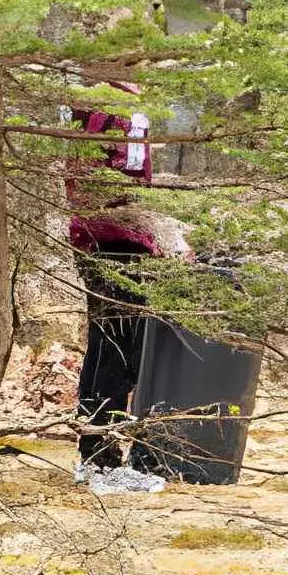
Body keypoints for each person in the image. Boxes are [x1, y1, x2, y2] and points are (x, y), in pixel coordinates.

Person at [65, 81, 182, 472]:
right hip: (111, 241)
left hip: (127, 240)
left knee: (128, 347)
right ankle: (97, 452)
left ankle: (109, 445)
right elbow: (117, 178)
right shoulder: (112, 110)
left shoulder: (125, 107)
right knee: (111, 347)